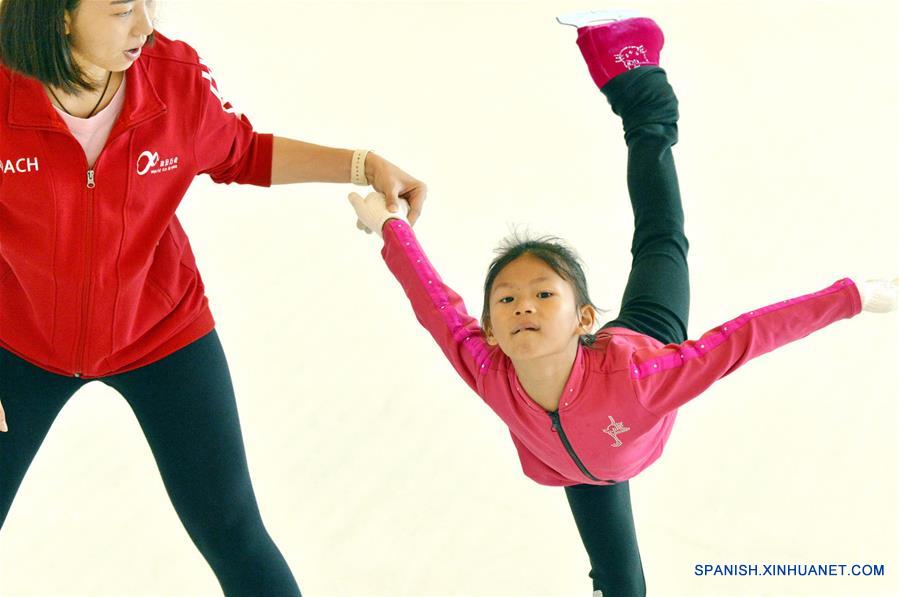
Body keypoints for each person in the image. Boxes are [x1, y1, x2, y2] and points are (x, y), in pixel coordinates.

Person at [347, 13, 899, 596]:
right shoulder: (488, 370)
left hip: (643, 339)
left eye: (542, 294)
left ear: (585, 317)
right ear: (490, 327)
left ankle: (642, 95)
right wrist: (389, 226)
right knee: (621, 581)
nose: (522, 307)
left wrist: (850, 297)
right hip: (581, 467)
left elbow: (746, 336)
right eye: (506, 299)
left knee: (661, 237)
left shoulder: (643, 379)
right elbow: (435, 304)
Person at [0, 0, 426, 594]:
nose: (146, 27)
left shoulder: (174, 76)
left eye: (148, 4)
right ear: (59, 16)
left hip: (161, 332)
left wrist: (362, 164)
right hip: (16, 342)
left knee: (232, 527)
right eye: (124, 10)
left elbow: (242, 151)